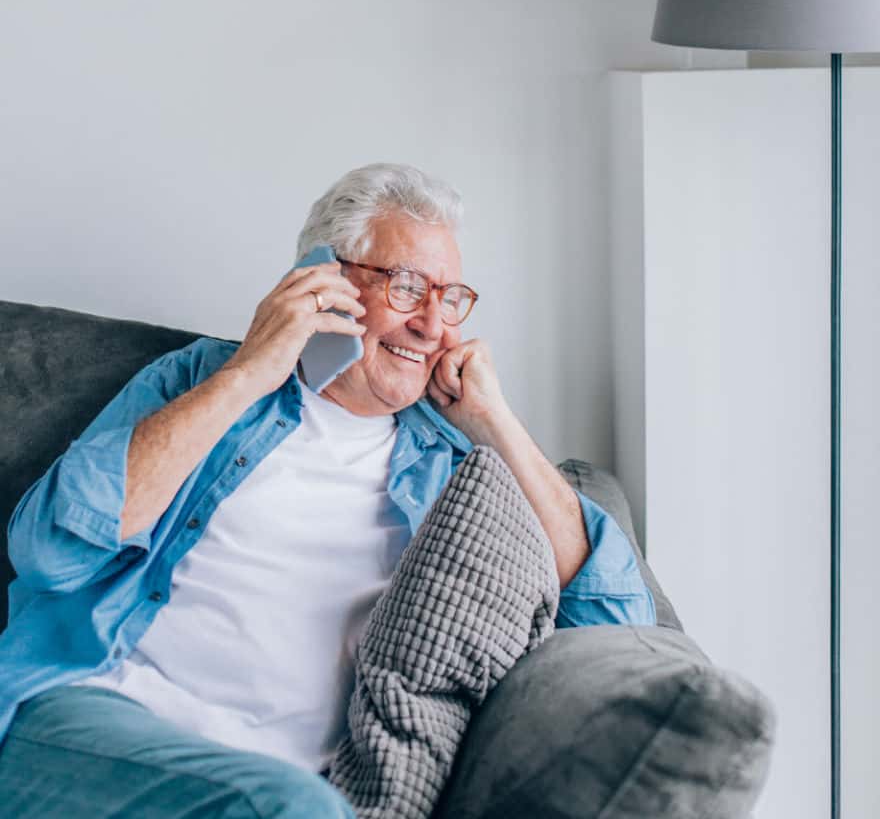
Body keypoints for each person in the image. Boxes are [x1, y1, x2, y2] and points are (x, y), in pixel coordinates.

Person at [0, 163, 655, 818]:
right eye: (406, 287)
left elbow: (617, 619)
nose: (432, 325)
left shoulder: (453, 465)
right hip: (91, 713)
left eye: (450, 296)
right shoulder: (201, 378)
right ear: (323, 280)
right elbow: (50, 550)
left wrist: (496, 424)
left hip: (301, 789)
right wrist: (254, 369)